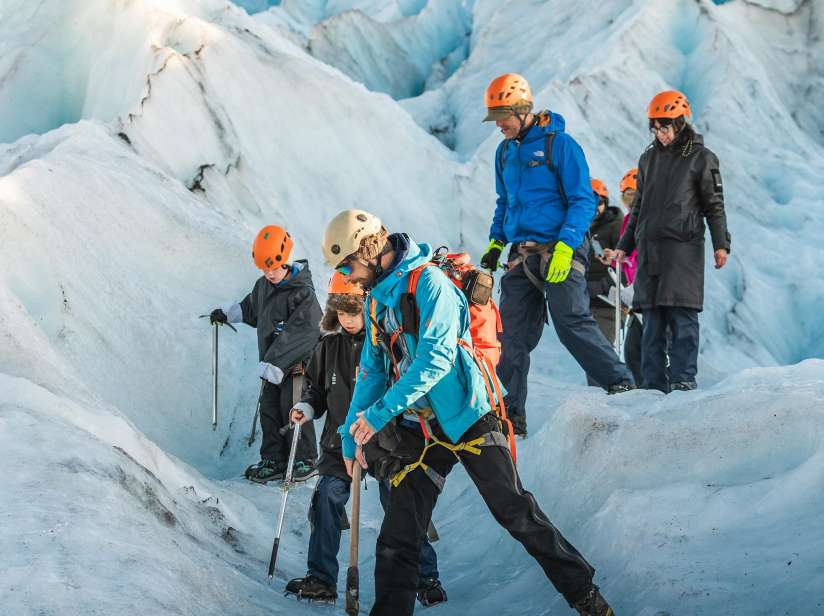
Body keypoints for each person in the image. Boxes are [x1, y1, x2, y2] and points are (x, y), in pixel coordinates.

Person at [321, 209, 615, 616]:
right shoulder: (375, 302)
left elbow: (435, 360)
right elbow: (372, 371)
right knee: (399, 536)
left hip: (468, 414)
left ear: (369, 250)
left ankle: (586, 595)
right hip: (421, 426)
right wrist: (350, 437)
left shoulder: (430, 284)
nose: (349, 275)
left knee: (513, 509)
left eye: (349, 264)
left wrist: (379, 414)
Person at [477, 72, 635, 438]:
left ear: (521, 110)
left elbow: (582, 200)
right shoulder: (504, 153)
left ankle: (621, 382)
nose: (498, 125)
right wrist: (495, 244)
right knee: (511, 337)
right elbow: (506, 203)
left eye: (502, 116)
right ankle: (509, 415)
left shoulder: (559, 146)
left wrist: (566, 245)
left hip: (561, 250)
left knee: (571, 322)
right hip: (522, 254)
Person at [284, 273, 446, 607]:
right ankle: (322, 579)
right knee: (327, 499)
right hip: (337, 441)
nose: (348, 319)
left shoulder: (386, 344)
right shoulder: (327, 346)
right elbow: (316, 390)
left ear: (367, 308)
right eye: (341, 312)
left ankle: (425, 576)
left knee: (402, 506)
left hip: (387, 440)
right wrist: (305, 407)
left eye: (354, 311)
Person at [609, 91, 731, 393]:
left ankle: (683, 380)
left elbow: (714, 204)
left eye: (665, 127)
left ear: (680, 122)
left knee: (682, 318)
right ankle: (652, 386)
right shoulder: (648, 159)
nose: (660, 134)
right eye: (655, 128)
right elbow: (638, 207)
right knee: (651, 321)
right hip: (650, 251)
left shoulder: (701, 158)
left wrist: (721, 243)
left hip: (682, 250)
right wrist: (625, 244)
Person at [208, 225, 320, 483]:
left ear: (287, 260)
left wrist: (276, 363)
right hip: (273, 365)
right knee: (269, 408)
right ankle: (274, 459)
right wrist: (228, 313)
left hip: (298, 366)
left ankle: (304, 458)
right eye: (265, 269)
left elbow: (303, 333)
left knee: (293, 407)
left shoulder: (303, 293)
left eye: (275, 267)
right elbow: (251, 308)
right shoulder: (264, 286)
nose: (270, 273)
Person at [584, 178, 626, 383]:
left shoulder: (616, 227)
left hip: (608, 303)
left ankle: (608, 397)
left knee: (600, 353)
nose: (595, 207)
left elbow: (626, 270)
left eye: (599, 202)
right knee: (591, 353)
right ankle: (598, 400)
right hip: (587, 302)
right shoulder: (582, 228)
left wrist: (596, 287)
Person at [615, 169, 643, 385]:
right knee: (633, 351)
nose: (629, 200)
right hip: (635, 294)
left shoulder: (646, 217)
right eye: (626, 195)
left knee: (644, 348)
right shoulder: (628, 221)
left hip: (647, 292)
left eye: (632, 194)